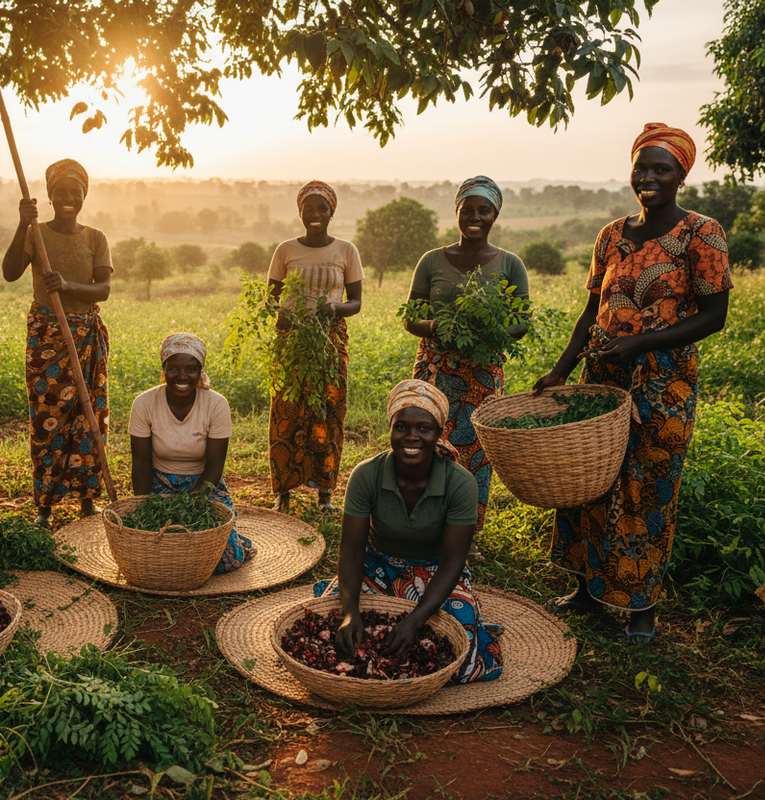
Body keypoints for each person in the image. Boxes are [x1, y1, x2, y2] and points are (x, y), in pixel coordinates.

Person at [532, 124, 732, 641]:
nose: (648, 178)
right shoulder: (612, 235)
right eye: (641, 167)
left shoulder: (701, 233)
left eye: (660, 169)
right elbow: (591, 311)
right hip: (603, 379)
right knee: (590, 482)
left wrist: (642, 343)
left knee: (648, 490)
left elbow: (714, 315)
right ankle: (586, 588)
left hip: (664, 385)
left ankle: (641, 609)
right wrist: (561, 369)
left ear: (681, 175)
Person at [317, 380, 502, 684]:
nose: (412, 437)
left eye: (424, 428)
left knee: (460, 637)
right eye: (401, 427)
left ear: (439, 433)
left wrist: (415, 621)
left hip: (434, 572)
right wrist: (350, 612)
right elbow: (351, 550)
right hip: (377, 567)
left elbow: (453, 563)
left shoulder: (460, 483)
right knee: (336, 629)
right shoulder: (366, 475)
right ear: (390, 429)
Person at [404, 176, 529, 561]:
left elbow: (521, 323)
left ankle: (465, 536)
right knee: (425, 446)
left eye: (483, 210)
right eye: (467, 210)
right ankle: (420, 527)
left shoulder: (510, 264)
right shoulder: (431, 260)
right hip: (437, 370)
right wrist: (437, 328)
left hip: (482, 375)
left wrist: (490, 334)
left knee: (474, 454)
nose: (475, 217)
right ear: (456, 212)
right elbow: (411, 317)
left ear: (495, 215)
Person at [2, 159, 112, 527]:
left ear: (84, 196)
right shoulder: (36, 232)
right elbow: (10, 272)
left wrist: (67, 286)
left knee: (88, 416)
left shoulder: (96, 238)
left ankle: (87, 500)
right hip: (48, 336)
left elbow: (104, 289)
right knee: (48, 417)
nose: (68, 198)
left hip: (86, 334)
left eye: (75, 193)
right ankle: (45, 505)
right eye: (60, 192)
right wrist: (22, 223)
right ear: (48, 196)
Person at [267, 181, 364, 514]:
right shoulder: (285, 250)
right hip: (293, 342)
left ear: (331, 212)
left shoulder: (346, 251)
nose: (315, 215)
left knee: (328, 411)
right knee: (287, 412)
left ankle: (324, 492)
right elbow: (270, 299)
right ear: (300, 212)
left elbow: (356, 302)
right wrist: (283, 317)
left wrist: (334, 309)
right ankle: (284, 491)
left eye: (322, 208)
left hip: (330, 342)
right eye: (308, 208)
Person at [129, 333, 255, 574]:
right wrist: (144, 507)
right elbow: (141, 463)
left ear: (200, 372)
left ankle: (234, 540)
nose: (182, 376)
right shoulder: (144, 403)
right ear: (164, 368)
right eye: (174, 368)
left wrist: (189, 508)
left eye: (191, 369)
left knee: (223, 558)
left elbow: (215, 466)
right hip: (159, 482)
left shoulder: (216, 405)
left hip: (204, 485)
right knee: (152, 551)